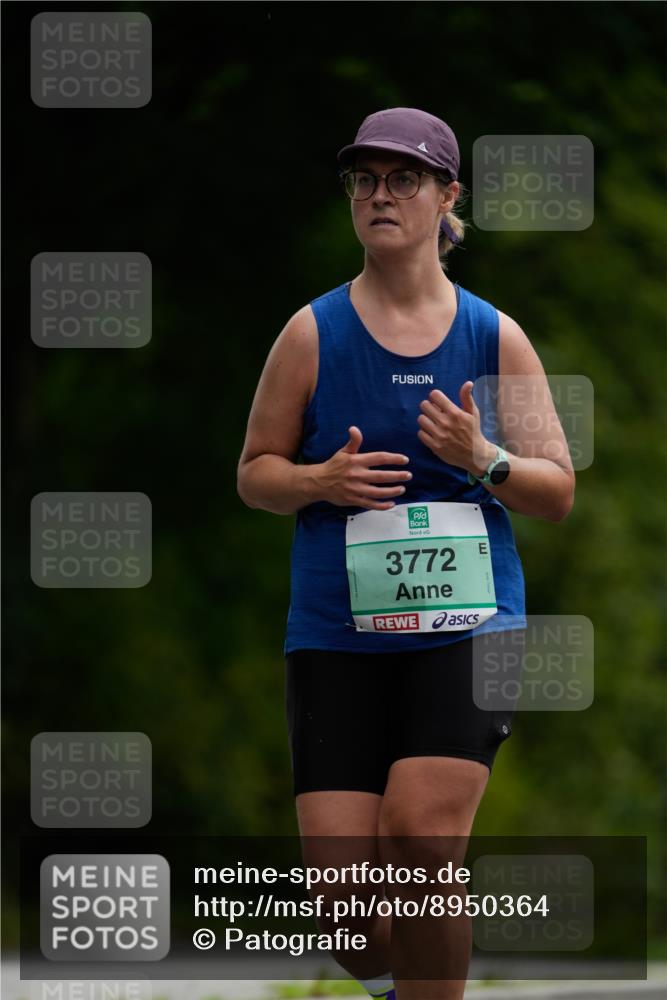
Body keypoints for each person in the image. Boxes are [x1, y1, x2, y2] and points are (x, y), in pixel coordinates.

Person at [237, 108, 575, 1000]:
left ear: (446, 196)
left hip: (470, 627)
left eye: (404, 179)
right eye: (365, 180)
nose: (380, 196)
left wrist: (483, 457)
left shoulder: (492, 336)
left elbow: (556, 490)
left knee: (423, 841)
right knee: (343, 908)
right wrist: (319, 482)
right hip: (337, 633)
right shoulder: (311, 333)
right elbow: (253, 475)